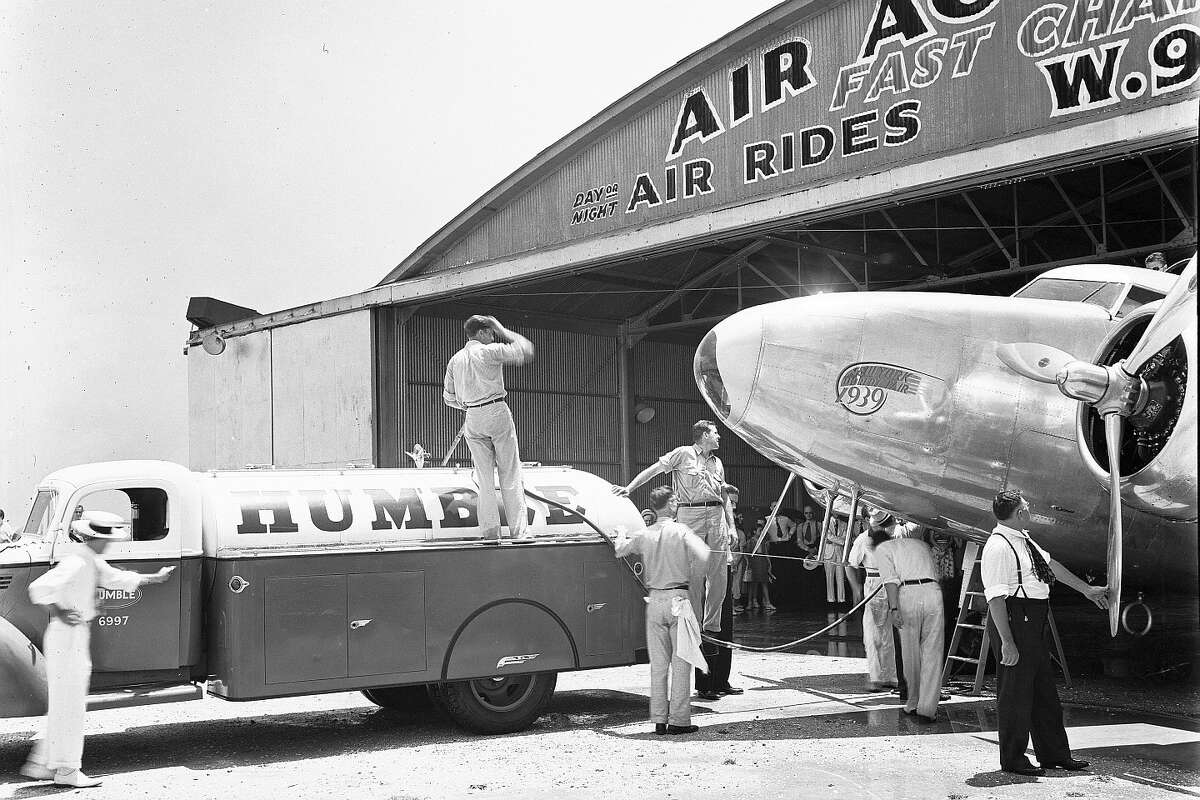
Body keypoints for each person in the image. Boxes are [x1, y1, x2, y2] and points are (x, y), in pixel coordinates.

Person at [21, 511, 175, 787]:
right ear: (94, 538)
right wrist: (59, 609)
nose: (108, 544)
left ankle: (45, 764)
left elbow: (117, 578)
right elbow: (39, 587)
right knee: (70, 704)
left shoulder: (89, 560)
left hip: (70, 634)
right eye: (105, 539)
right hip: (67, 635)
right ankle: (66, 770)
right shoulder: (79, 563)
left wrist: (156, 577)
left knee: (65, 702)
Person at [982, 489, 1108, 776]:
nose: (1030, 509)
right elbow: (995, 599)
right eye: (1026, 506)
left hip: (1034, 617)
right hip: (1015, 619)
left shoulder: (1023, 539)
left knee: (1044, 693)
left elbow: (1051, 566)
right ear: (1018, 513)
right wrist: (1007, 643)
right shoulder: (998, 546)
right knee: (1015, 694)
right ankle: (1013, 759)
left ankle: (1054, 754)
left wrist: (1086, 590)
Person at [614, 420, 728, 634]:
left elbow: (724, 495)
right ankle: (693, 626)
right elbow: (655, 470)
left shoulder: (717, 463)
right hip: (690, 514)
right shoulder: (683, 453)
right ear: (704, 436)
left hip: (716, 515)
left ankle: (711, 627)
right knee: (694, 575)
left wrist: (730, 526)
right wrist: (629, 487)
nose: (719, 436)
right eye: (715, 432)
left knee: (719, 575)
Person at [613, 487, 709, 734]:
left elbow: (620, 550)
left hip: (654, 600)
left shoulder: (645, 534)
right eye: (675, 500)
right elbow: (704, 554)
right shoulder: (681, 530)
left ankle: (658, 720)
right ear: (669, 505)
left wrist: (621, 534)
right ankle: (679, 721)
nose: (677, 503)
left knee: (658, 665)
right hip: (679, 597)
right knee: (681, 662)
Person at [443, 314, 535, 540]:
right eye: (490, 332)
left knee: (484, 477)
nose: (492, 335)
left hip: (472, 416)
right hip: (495, 409)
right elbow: (526, 349)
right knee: (510, 472)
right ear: (482, 332)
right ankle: (519, 532)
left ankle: (490, 532)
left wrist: (468, 406)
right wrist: (501, 328)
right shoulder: (489, 350)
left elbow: (447, 398)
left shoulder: (456, 359)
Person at [874, 510, 944, 723]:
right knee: (933, 651)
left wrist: (894, 609)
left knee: (911, 653)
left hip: (908, 595)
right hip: (933, 592)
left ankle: (913, 702)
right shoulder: (920, 544)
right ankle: (928, 708)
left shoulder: (883, 550)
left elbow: (890, 582)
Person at [695, 484, 745, 701]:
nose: (731, 507)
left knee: (726, 629)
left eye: (733, 504)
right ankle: (705, 684)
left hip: (725, 569)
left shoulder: (727, 526)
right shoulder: (708, 520)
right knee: (708, 628)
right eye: (728, 503)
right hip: (708, 574)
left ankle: (722, 681)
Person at [847, 512, 898, 692]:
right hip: (873, 585)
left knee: (890, 634)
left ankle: (891, 677)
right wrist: (857, 589)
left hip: (892, 584)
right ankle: (876, 677)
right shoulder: (862, 540)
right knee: (872, 634)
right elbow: (850, 565)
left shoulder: (893, 535)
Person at [743, 518, 775, 612]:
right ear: (754, 531)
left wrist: (769, 564)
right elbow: (747, 553)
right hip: (754, 563)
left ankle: (768, 603)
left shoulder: (764, 541)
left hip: (762, 562)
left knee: (764, 582)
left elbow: (766, 554)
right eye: (760, 531)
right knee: (753, 584)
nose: (761, 532)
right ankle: (750, 602)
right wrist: (748, 564)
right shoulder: (750, 541)